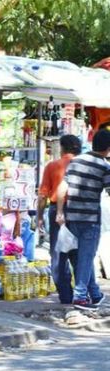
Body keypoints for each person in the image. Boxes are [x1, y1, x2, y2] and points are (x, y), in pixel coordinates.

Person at [56, 126, 110, 311]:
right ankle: (80, 297)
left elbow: (63, 187)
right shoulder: (104, 166)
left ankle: (94, 293)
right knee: (86, 257)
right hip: (90, 220)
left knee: (82, 257)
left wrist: (60, 212)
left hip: (71, 217)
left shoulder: (76, 161)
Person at [37, 134, 81, 304]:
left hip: (58, 212)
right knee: (78, 253)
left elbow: (42, 196)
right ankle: (82, 292)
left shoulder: (53, 166)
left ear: (62, 147)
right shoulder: (82, 165)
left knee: (58, 254)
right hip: (80, 212)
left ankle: (65, 295)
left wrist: (39, 217)